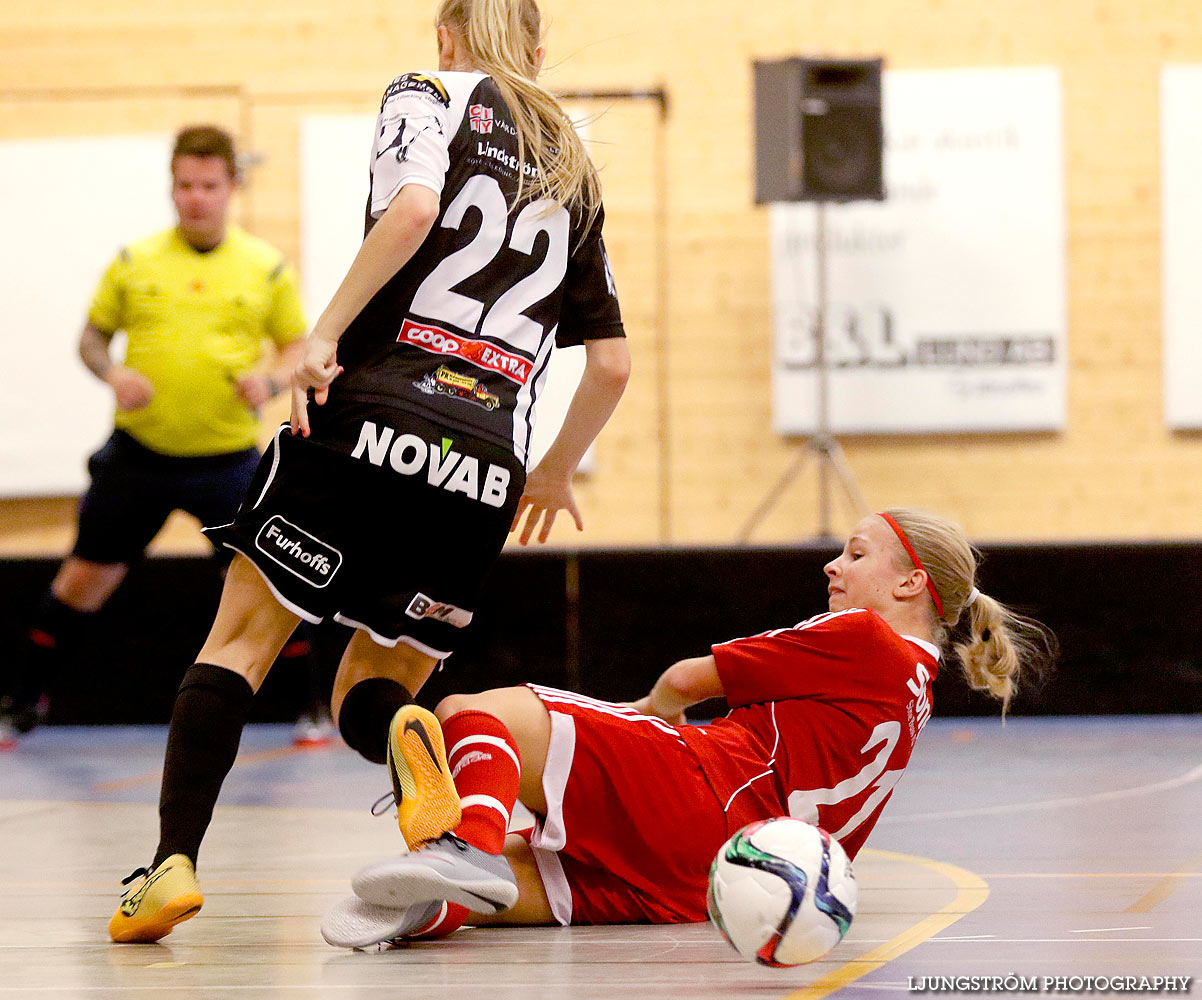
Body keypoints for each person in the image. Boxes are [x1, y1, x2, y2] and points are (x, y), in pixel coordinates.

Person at [108, 0, 630, 944]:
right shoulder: (572, 164)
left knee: (240, 644)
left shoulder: (426, 91)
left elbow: (417, 207)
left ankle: (171, 868)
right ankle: (404, 741)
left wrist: (324, 333)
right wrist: (553, 473)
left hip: (373, 418)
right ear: (540, 50)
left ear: (446, 36)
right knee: (371, 687)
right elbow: (613, 365)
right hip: (484, 468)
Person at [318, 507, 1055, 947]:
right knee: (507, 890)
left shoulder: (865, 636)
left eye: (856, 555)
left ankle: (460, 848)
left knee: (472, 714)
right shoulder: (919, 682)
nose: (833, 566)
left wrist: (638, 727)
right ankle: (422, 908)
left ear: (909, 583)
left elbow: (682, 681)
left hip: (709, 795)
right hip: (713, 882)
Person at [0, 125, 310, 747]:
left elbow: (298, 346)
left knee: (270, 583)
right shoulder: (135, 260)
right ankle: (23, 701)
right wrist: (112, 372)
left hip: (226, 460)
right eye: (184, 186)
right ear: (172, 188)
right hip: (139, 457)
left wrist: (273, 380)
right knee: (83, 581)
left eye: (209, 185)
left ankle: (307, 712)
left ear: (233, 187)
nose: (196, 198)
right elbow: (90, 339)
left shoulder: (264, 267)